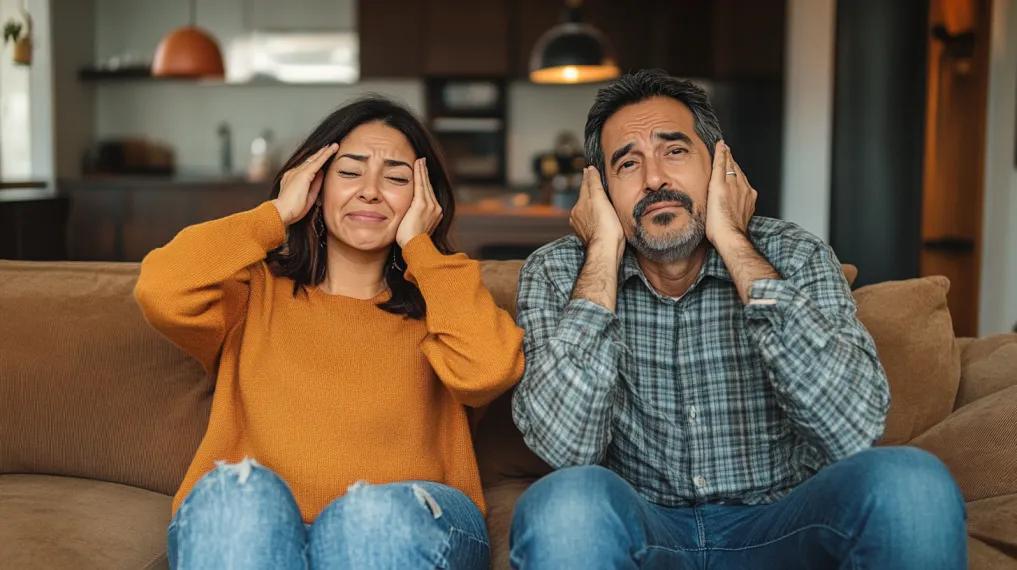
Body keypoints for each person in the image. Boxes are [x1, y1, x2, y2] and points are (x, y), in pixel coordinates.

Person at [509, 69, 966, 569]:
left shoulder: (793, 254)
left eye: (675, 150)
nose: (655, 178)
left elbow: (853, 427)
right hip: (647, 528)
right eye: (627, 163)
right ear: (599, 192)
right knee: (565, 502)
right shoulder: (560, 271)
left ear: (720, 165)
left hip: (783, 524)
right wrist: (601, 253)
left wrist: (733, 244)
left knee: (912, 482)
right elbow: (565, 449)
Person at [134, 96, 524, 569]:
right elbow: (161, 289)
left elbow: (489, 370)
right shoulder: (252, 293)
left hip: (405, 525)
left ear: (426, 201)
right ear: (315, 186)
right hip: (257, 526)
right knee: (235, 497)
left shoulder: (442, 300)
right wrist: (274, 214)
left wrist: (421, 249)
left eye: (397, 177)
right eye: (350, 171)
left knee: (368, 516)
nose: (372, 191)